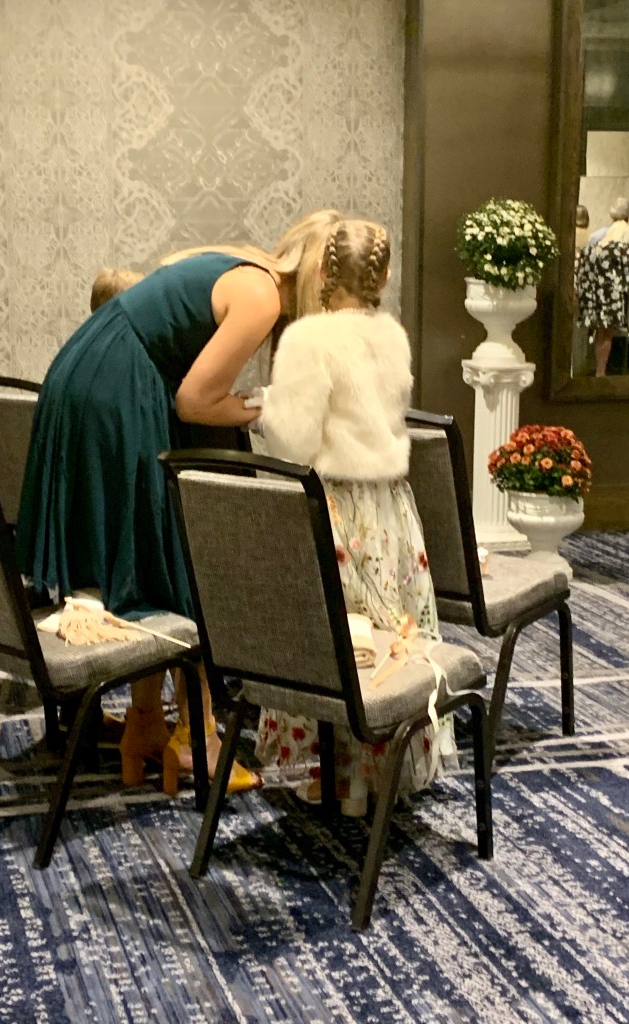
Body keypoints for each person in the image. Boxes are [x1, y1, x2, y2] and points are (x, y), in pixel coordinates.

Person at [15, 209, 343, 794]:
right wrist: (267, 408)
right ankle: (196, 737)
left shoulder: (246, 265)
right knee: (177, 554)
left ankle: (147, 722)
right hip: (120, 387)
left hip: (100, 372)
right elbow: (195, 402)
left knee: (154, 553)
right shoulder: (263, 296)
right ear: (324, 281)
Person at [251, 219, 454, 817]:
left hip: (334, 507)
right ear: (383, 277)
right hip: (390, 508)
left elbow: (292, 440)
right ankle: (373, 774)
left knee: (335, 639)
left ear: (320, 270)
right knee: (386, 634)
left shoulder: (308, 341)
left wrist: (266, 411)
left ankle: (331, 772)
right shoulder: (393, 337)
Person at [576, 198, 629, 376]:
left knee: (601, 331)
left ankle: (599, 371)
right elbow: (626, 264)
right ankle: (600, 371)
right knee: (605, 332)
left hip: (600, 286)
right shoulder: (623, 233)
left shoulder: (602, 235)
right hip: (610, 288)